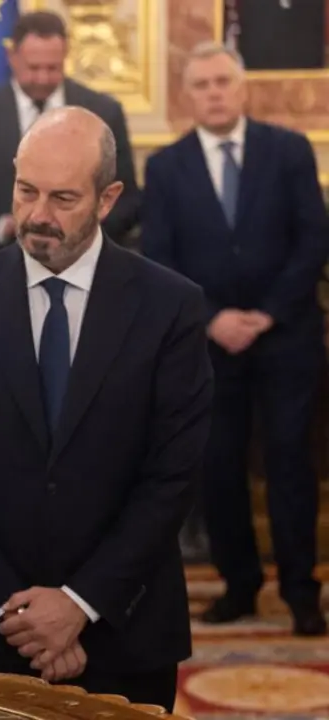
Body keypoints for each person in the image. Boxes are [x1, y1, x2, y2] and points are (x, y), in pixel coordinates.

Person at [0, 106, 213, 712]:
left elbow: (171, 477)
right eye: (26, 191)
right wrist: (16, 614)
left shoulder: (170, 307)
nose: (38, 215)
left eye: (64, 198)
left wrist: (80, 604)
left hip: (125, 627)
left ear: (108, 199)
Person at [141, 43, 329, 637]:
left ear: (242, 88)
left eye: (223, 81)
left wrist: (266, 314)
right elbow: (159, 257)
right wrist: (213, 317)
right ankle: (239, 584)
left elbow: (314, 241)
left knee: (290, 464)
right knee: (218, 467)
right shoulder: (165, 168)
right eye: (202, 84)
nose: (215, 93)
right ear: (188, 96)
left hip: (286, 338)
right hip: (208, 345)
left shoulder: (288, 150)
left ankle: (301, 591)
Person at [0, 10, 140, 259]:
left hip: (85, 265)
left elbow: (128, 202)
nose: (42, 78)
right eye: (34, 67)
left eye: (53, 68)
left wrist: (77, 229)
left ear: (65, 55)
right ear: (12, 57)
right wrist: (2, 227)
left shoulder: (104, 112)